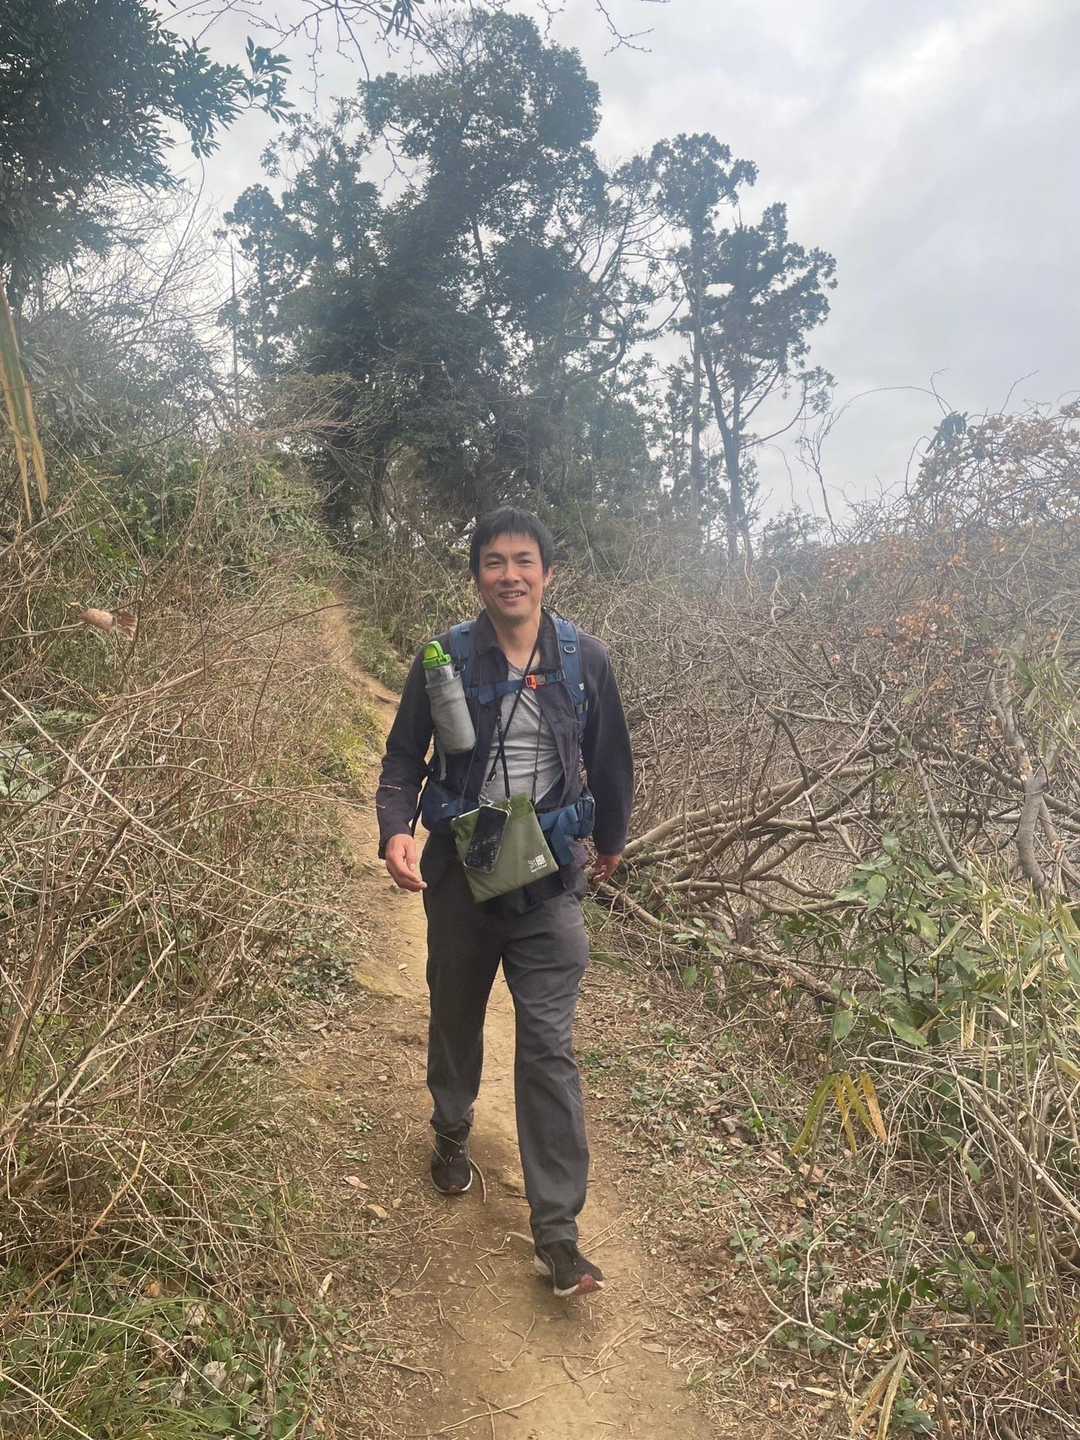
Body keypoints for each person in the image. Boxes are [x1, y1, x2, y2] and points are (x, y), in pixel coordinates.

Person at [376, 507, 633, 1297]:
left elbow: (610, 760)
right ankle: (452, 1129)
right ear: (477, 576)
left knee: (548, 1046)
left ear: (548, 574)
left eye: (524, 561)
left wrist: (611, 842)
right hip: (463, 868)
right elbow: (402, 759)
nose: (510, 575)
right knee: (456, 1011)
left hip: (549, 879)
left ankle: (559, 1235)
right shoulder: (445, 658)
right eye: (494, 561)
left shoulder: (584, 659)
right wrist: (396, 832)